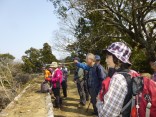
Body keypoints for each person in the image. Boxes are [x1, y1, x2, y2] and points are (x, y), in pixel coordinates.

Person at [96, 42, 134, 117]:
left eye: (108, 57)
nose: (106, 61)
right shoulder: (132, 73)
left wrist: (98, 102)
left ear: (117, 58)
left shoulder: (118, 78)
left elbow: (107, 114)